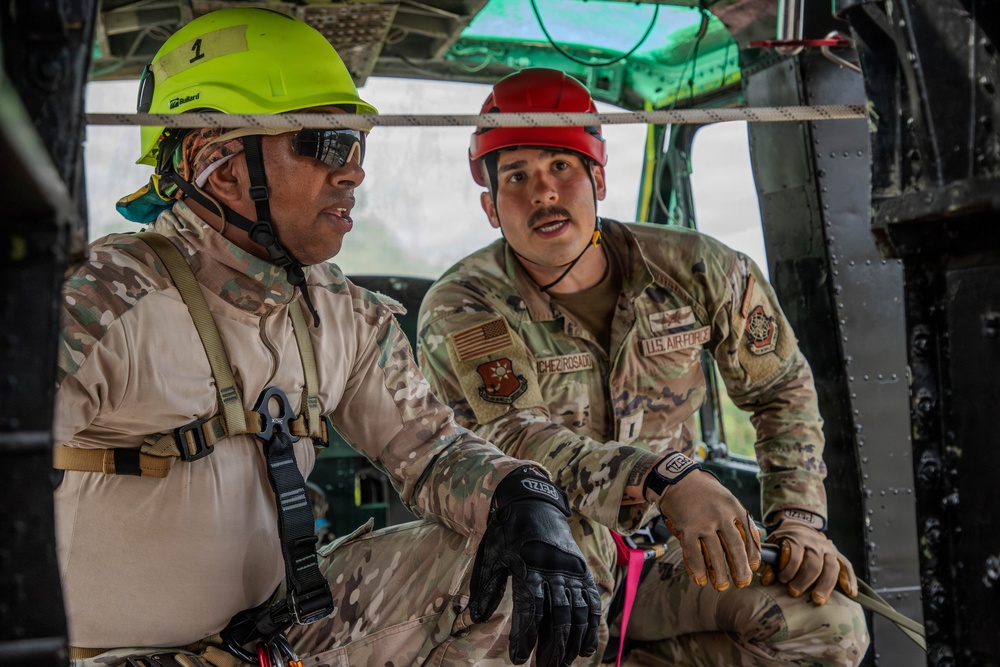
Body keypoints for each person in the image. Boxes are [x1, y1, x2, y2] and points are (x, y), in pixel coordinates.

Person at [55, 14, 601, 667]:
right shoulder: (106, 301)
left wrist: (524, 495)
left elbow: (431, 450)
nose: (353, 174)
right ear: (219, 162)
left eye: (358, 146)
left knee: (507, 559)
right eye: (327, 142)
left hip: (267, 642)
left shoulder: (338, 310)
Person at [416, 67, 870, 666]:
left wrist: (799, 517)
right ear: (490, 206)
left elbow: (780, 385)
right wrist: (665, 478)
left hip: (674, 552)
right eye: (517, 176)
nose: (544, 193)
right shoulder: (464, 306)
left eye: (561, 168)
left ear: (598, 176)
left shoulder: (697, 268)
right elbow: (517, 440)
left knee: (830, 623)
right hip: (544, 560)